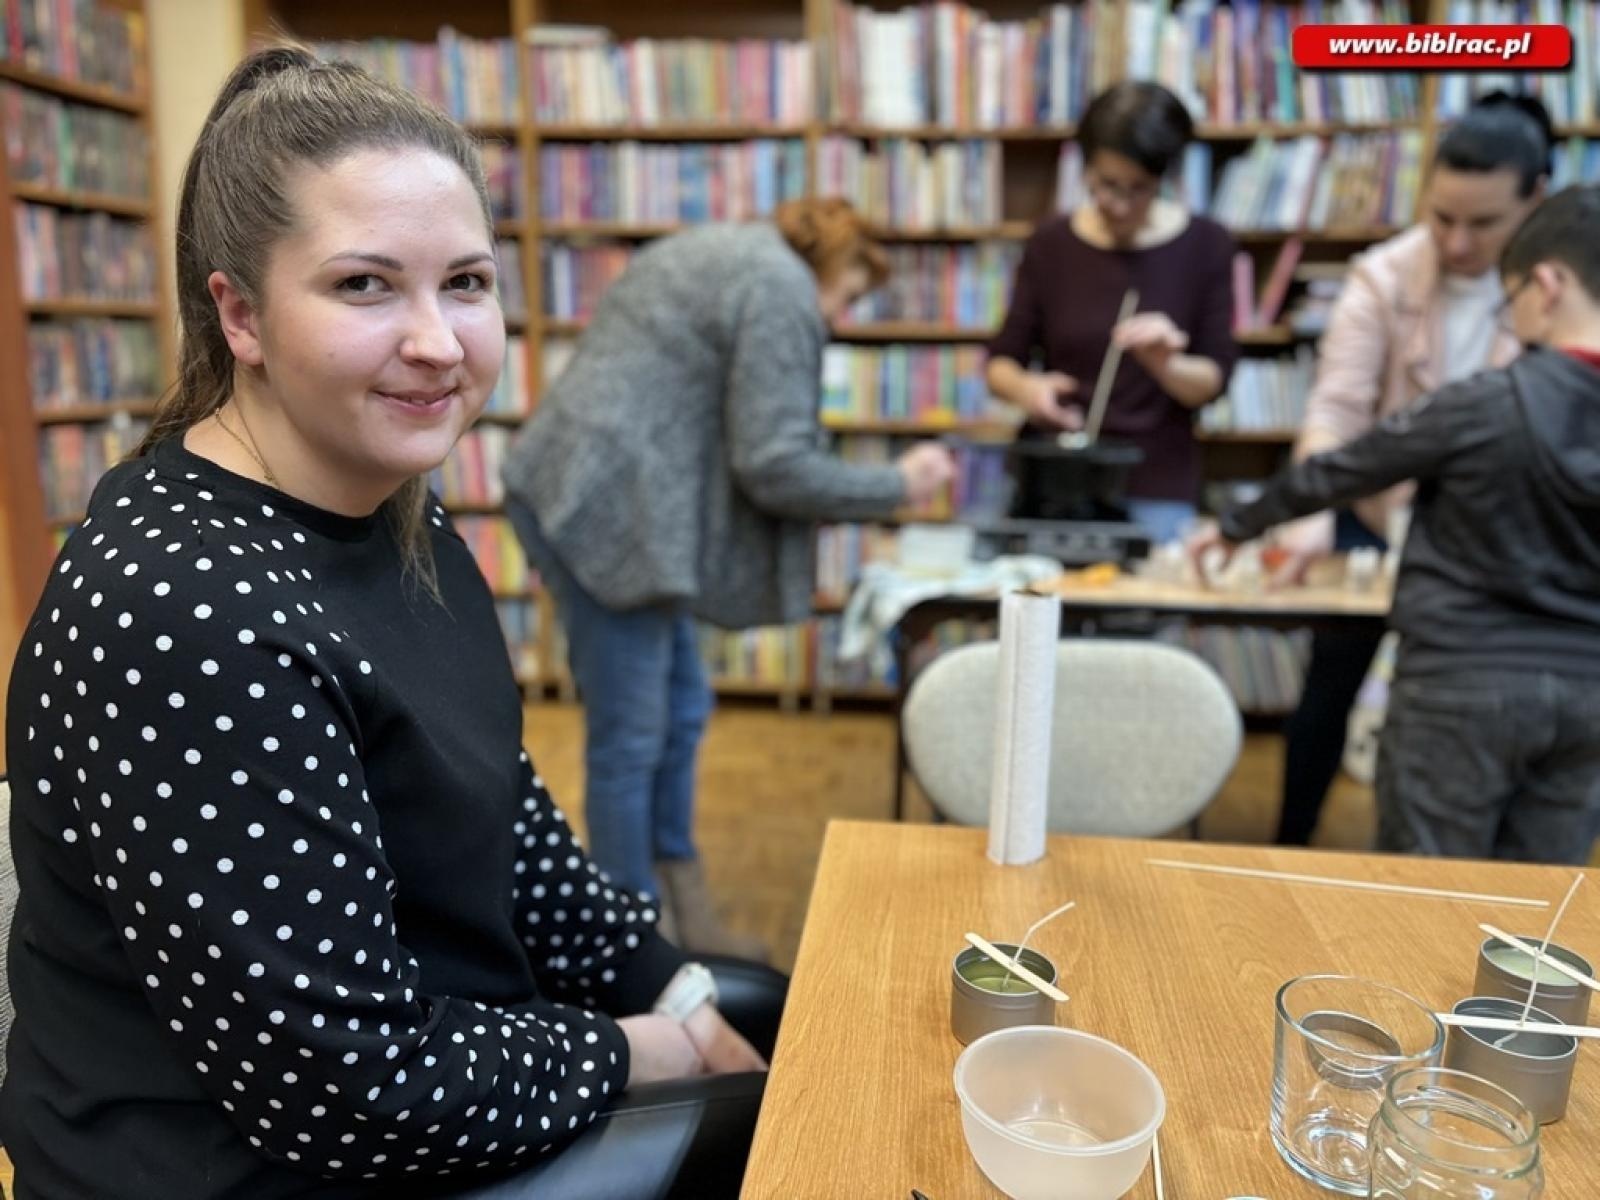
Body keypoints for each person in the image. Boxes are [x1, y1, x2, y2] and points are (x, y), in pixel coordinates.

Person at [1, 48, 786, 1199]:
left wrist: (669, 989)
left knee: (773, 1017)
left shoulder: (393, 510)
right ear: (241, 313)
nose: (438, 341)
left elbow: (500, 822)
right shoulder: (183, 612)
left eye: (465, 283)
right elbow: (351, 1090)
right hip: (271, 1166)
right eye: (365, 285)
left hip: (443, 1065)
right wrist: (640, 1051)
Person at [501, 199, 955, 959]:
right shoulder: (779, 287)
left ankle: (686, 915)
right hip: (610, 513)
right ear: (829, 266)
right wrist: (897, 485)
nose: (838, 318)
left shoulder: (730, 249)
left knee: (680, 709)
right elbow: (774, 464)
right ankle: (628, 950)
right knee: (632, 736)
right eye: (846, 295)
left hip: (602, 497)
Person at [1191, 183, 1600, 866]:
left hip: (1460, 681)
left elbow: (1346, 467)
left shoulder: (1485, 403)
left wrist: (1236, 524)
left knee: (1424, 897)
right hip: (1590, 693)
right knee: (1540, 915)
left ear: (1549, 285)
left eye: (1513, 297)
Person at [1268, 93, 1551, 846]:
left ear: (1537, 200)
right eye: (1441, 217)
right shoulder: (1381, 275)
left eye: (1483, 223)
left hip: (1495, 543)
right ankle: (1291, 844)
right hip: (1374, 515)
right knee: (1330, 684)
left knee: (1465, 712)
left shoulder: (1563, 291)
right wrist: (1308, 514)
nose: (1457, 242)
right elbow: (1335, 409)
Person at [986, 80, 1239, 544]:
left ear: (1164, 178)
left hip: (1154, 487)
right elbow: (1001, 361)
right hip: (1056, 481)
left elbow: (1212, 380)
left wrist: (1167, 364)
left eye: (1137, 189)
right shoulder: (1051, 244)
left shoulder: (1206, 245)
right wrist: (1028, 390)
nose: (1119, 205)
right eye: (1104, 185)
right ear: (1084, 167)